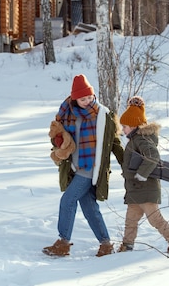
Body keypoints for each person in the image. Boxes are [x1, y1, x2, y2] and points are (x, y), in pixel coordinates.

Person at [43, 74, 124, 257]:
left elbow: (115, 143)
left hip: (90, 168)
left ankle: (63, 243)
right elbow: (60, 137)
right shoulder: (68, 114)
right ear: (74, 99)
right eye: (82, 99)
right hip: (74, 167)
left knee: (68, 201)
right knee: (89, 208)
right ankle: (105, 244)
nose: (87, 101)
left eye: (89, 97)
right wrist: (58, 144)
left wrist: (127, 164)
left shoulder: (103, 116)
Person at [118, 96, 169, 253]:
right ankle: (127, 246)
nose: (123, 129)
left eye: (125, 126)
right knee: (131, 220)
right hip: (136, 190)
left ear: (133, 126)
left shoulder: (141, 139)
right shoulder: (135, 139)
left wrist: (142, 174)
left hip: (146, 189)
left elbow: (152, 156)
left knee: (154, 219)